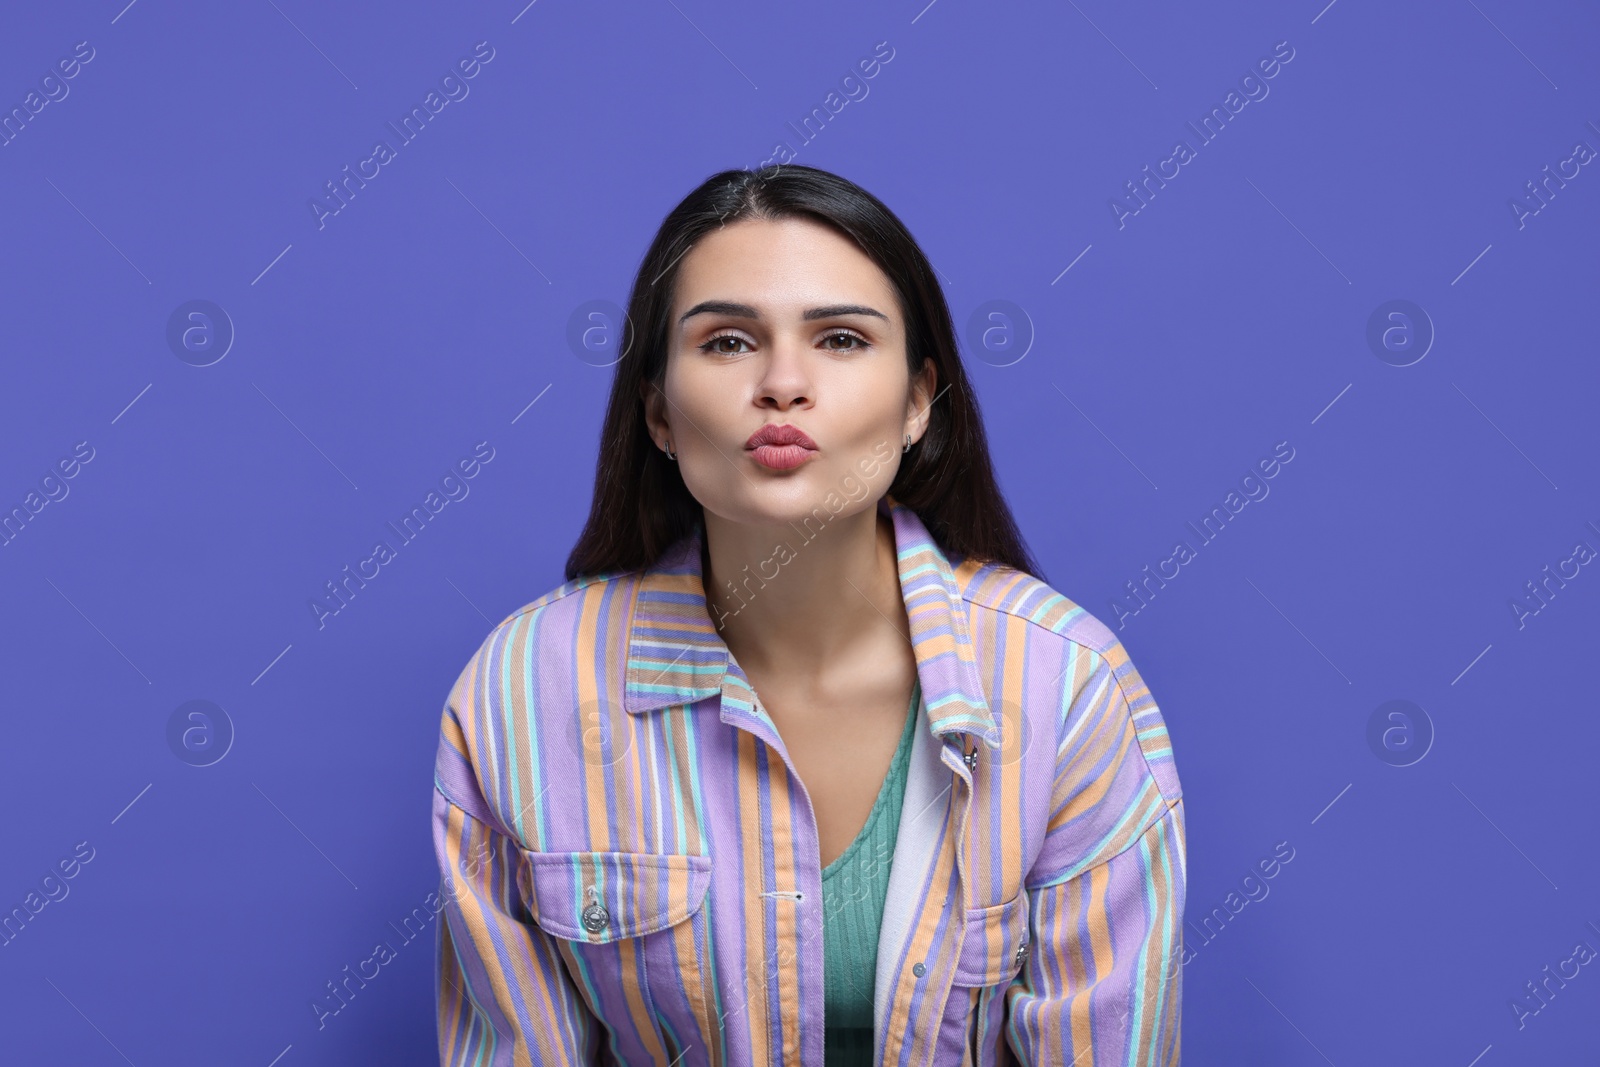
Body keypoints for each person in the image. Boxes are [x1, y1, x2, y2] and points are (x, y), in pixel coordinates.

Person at [431, 164, 1185, 1065]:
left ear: (916, 402)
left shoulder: (1066, 688)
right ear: (659, 414)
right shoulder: (524, 692)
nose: (783, 384)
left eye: (839, 339)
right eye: (725, 343)